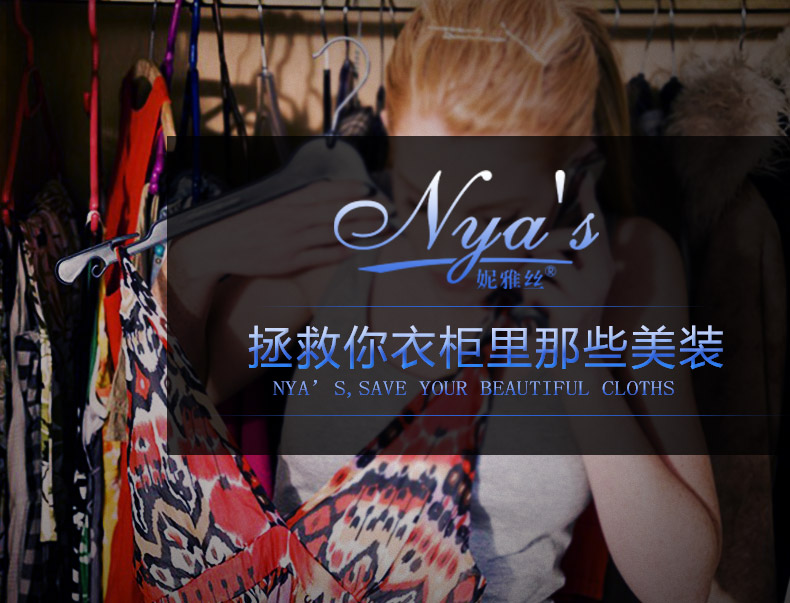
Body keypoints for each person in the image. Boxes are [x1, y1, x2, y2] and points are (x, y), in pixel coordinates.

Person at [161, 0, 722, 601]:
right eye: (418, 195)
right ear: (391, 129)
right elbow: (171, 419)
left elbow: (680, 585)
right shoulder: (347, 238)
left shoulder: (629, 267)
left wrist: (575, 356)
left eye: (489, 217)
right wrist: (192, 264)